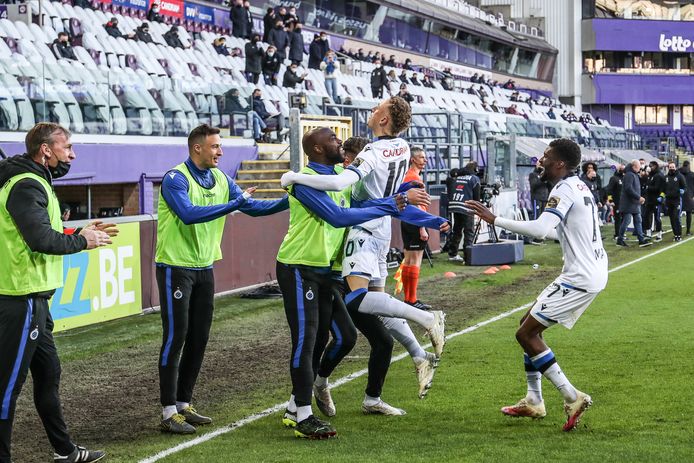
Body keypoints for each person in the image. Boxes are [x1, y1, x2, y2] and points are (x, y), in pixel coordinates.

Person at [281, 97, 448, 414]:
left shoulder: (371, 153)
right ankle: (416, 355)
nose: (372, 112)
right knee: (364, 318)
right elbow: (394, 201)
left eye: (377, 110)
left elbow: (342, 184)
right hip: (378, 234)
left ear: (385, 120)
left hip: (362, 231)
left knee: (357, 307)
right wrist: (431, 220)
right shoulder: (401, 147)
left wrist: (293, 176)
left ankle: (426, 323)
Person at [277, 128, 421, 439]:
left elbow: (365, 195)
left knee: (343, 337)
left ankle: (298, 402)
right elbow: (340, 217)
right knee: (307, 340)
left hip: (328, 270)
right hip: (299, 267)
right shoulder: (304, 182)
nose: (339, 141)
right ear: (316, 148)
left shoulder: (339, 174)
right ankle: (301, 414)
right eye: (331, 138)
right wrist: (392, 203)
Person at [464, 138, 607, 432]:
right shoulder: (579, 186)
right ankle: (533, 399)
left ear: (560, 164)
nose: (540, 161)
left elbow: (541, 230)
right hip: (590, 270)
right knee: (527, 324)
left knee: (526, 334)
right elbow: (561, 233)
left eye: (545, 156)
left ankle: (571, 396)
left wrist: (495, 219)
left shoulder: (564, 189)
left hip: (580, 276)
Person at [156, 125, 288, 434]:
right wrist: (233, 204)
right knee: (176, 337)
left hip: (204, 268)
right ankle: (166, 412)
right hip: (175, 268)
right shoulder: (175, 179)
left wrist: (291, 200)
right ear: (197, 148)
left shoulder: (220, 179)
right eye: (215, 146)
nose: (220, 151)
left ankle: (183, 404)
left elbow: (252, 207)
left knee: (199, 337)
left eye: (220, 146)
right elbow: (188, 214)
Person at [0, 122, 115, 463]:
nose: (73, 154)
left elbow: (40, 230)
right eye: (67, 147)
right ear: (46, 150)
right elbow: (39, 240)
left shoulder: (31, 180)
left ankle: (64, 451)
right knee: (7, 390)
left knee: (48, 376)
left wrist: (77, 230)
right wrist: (83, 241)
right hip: (21, 300)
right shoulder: (26, 184)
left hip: (34, 300)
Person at [398, 147, 432, 309]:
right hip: (415, 221)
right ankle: (411, 299)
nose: (425, 161)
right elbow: (418, 205)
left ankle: (409, 299)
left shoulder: (407, 177)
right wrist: (422, 227)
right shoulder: (413, 178)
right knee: (415, 260)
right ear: (413, 159)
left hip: (407, 220)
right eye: (421, 158)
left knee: (409, 259)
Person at [446, 162, 480, 262]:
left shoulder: (456, 177)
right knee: (469, 232)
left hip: (454, 206)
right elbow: (476, 198)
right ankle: (468, 257)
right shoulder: (474, 179)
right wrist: (478, 209)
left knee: (457, 230)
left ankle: (452, 254)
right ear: (475, 170)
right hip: (467, 207)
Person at [617, 160, 650, 247]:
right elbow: (628, 189)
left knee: (638, 221)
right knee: (626, 222)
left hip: (634, 203)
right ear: (634, 166)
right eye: (639, 166)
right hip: (628, 203)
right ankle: (620, 239)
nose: (640, 168)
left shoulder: (633, 174)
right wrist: (638, 197)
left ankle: (641, 239)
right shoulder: (629, 175)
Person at [663, 162, 687, 241]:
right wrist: (662, 196)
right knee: (672, 218)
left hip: (677, 200)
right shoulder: (665, 177)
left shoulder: (680, 176)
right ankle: (675, 234)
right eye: (670, 167)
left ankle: (679, 234)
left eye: (673, 167)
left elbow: (685, 187)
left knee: (676, 217)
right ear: (668, 168)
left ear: (675, 167)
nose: (672, 168)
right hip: (668, 201)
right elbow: (663, 189)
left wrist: (683, 190)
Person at [643, 161, 665, 241]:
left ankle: (659, 234)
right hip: (649, 200)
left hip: (656, 200)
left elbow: (657, 188)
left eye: (651, 166)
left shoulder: (658, 176)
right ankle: (648, 233)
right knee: (646, 216)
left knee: (657, 217)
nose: (649, 167)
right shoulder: (651, 175)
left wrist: (648, 188)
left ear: (655, 166)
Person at [605, 164, 625, 240]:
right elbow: (609, 190)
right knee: (618, 218)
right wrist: (611, 200)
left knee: (624, 218)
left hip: (624, 202)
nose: (623, 170)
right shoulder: (614, 178)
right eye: (621, 168)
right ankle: (617, 234)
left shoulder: (624, 178)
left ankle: (622, 233)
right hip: (616, 202)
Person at [680, 161, 694, 236]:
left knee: (676, 214)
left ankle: (677, 232)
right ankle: (688, 231)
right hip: (689, 196)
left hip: (679, 196)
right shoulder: (692, 174)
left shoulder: (678, 173)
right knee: (689, 214)